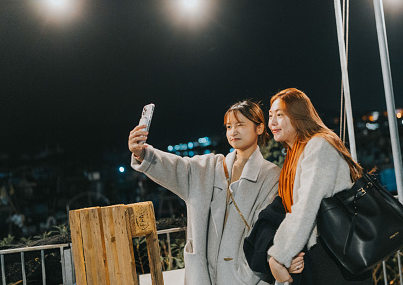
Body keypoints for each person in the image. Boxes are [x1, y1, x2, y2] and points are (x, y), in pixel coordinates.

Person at [128, 100, 281, 285]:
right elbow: (176, 168)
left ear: (259, 128)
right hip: (201, 275)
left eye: (240, 125)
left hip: (245, 279)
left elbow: (264, 232)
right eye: (229, 126)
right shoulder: (210, 167)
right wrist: (143, 154)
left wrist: (246, 275)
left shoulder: (270, 175)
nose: (233, 131)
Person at [265, 88, 372, 284]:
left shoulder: (319, 146)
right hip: (321, 252)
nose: (271, 122)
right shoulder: (293, 155)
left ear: (298, 116)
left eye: (279, 115)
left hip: (338, 254)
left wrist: (279, 256)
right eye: (270, 116)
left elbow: (306, 206)